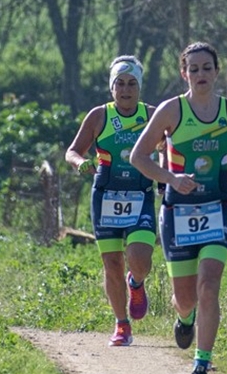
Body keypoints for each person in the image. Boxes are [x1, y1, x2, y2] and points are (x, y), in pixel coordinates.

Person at [129, 41, 227, 374]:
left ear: (217, 71)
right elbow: (138, 157)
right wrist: (171, 178)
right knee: (187, 297)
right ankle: (184, 317)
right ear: (183, 73)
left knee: (209, 285)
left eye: (207, 68)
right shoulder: (171, 111)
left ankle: (201, 367)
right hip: (177, 212)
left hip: (219, 208)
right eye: (194, 68)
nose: (200, 74)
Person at [65, 56, 159, 347]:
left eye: (132, 84)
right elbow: (72, 151)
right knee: (112, 263)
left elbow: (171, 146)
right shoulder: (98, 116)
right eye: (120, 84)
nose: (126, 90)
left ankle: (137, 282)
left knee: (140, 259)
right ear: (112, 87)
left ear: (140, 87)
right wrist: (81, 163)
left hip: (140, 194)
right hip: (105, 194)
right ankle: (121, 325)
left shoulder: (154, 115)